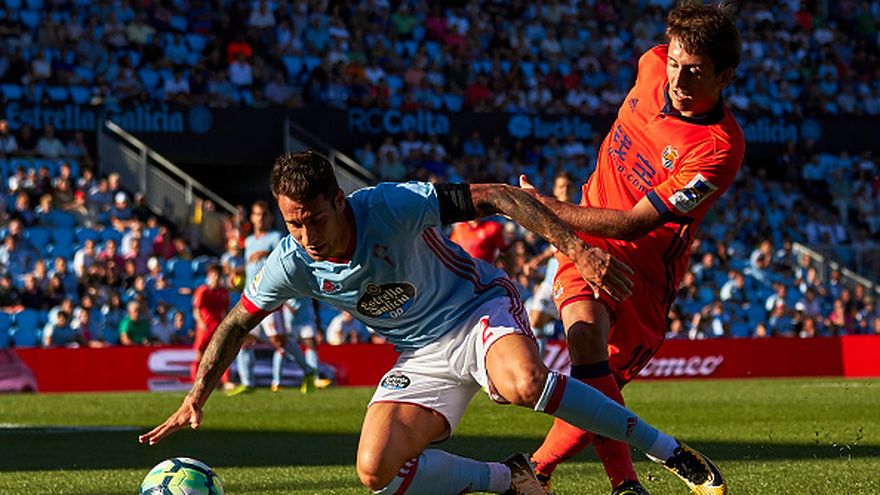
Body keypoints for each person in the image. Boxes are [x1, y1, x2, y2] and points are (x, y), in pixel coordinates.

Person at [140, 151, 726, 495]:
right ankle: (511, 478)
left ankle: (666, 450)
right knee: (375, 473)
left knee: (525, 383)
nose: (306, 235)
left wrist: (573, 247)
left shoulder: (388, 205)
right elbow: (235, 325)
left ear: (339, 201)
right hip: (420, 353)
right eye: (294, 223)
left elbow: (498, 195)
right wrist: (197, 395)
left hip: (475, 308)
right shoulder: (290, 263)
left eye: (314, 218)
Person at [521, 4, 744, 494]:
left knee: (597, 392)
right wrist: (564, 224)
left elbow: (634, 223)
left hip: (642, 276)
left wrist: (548, 208)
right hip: (583, 240)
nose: (678, 79)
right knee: (585, 342)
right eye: (675, 63)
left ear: (725, 77)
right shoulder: (650, 63)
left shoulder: (717, 149)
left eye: (695, 71)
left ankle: (538, 471)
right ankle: (621, 481)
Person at [226, 200, 316, 396]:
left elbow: (285, 259)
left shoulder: (276, 237)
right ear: (252, 217)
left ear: (269, 217)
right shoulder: (249, 241)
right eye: (257, 214)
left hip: (270, 296)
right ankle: (247, 383)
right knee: (244, 339)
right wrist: (238, 272)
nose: (260, 218)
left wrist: (266, 253)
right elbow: (252, 266)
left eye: (264, 214)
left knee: (279, 341)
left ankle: (309, 371)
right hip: (250, 296)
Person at [524, 171, 576, 355]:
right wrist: (538, 260)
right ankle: (539, 365)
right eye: (561, 186)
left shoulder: (579, 214)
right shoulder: (551, 214)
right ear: (555, 189)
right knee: (535, 321)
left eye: (568, 187)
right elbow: (554, 247)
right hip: (551, 280)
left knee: (575, 329)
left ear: (574, 189)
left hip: (570, 280)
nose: (565, 190)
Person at [192, 265, 231, 383]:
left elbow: (226, 310)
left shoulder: (224, 292)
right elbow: (196, 310)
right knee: (199, 354)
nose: (217, 277)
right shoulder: (202, 291)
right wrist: (200, 323)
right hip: (204, 329)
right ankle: (196, 380)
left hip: (218, 328)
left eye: (219, 275)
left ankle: (225, 381)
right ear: (209, 276)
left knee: (222, 354)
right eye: (214, 275)